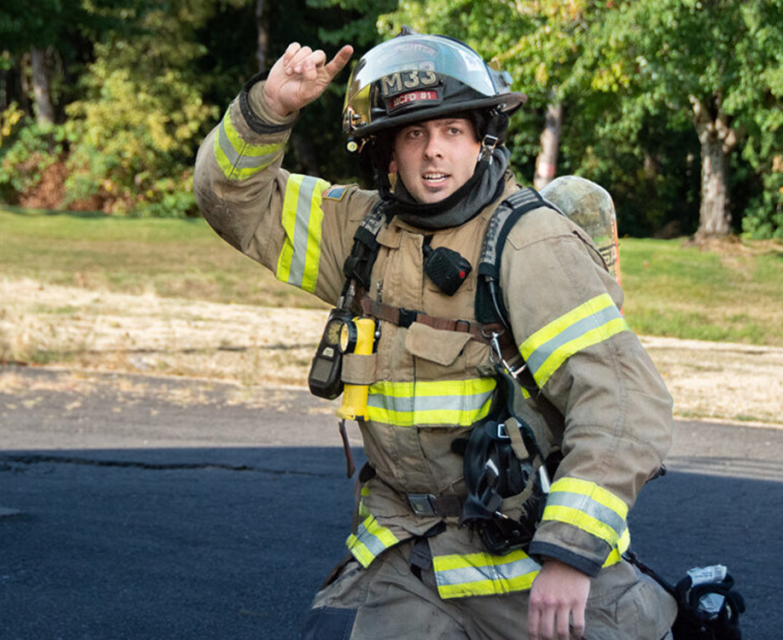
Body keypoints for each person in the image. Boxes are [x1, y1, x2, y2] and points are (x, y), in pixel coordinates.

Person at [193, 29, 677, 640]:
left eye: (452, 131)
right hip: (411, 562)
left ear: (482, 139)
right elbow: (229, 199)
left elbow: (625, 403)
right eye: (414, 134)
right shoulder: (360, 232)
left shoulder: (530, 244)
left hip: (532, 563)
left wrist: (570, 554)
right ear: (385, 152)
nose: (433, 154)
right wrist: (270, 108)